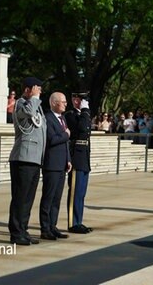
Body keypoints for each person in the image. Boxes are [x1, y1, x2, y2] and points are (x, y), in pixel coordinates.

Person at [8, 77, 47, 245]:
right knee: (20, 197)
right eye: (36, 89)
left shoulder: (36, 107)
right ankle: (16, 233)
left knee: (28, 198)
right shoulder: (21, 104)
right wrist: (35, 98)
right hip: (23, 157)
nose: (39, 92)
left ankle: (23, 229)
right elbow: (29, 113)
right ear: (27, 90)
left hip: (35, 158)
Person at [39, 92, 72, 240]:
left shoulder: (62, 118)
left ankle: (53, 226)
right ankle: (45, 228)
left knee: (56, 198)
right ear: (53, 103)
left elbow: (65, 142)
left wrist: (68, 159)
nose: (65, 104)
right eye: (63, 102)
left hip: (61, 164)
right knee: (48, 197)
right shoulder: (48, 118)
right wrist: (66, 134)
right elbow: (51, 139)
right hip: (51, 164)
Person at [64, 93, 93, 234]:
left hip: (84, 157)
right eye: (80, 99)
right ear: (74, 99)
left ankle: (79, 221)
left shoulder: (84, 114)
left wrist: (85, 112)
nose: (83, 102)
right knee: (75, 192)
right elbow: (81, 129)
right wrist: (85, 112)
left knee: (81, 192)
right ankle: (73, 223)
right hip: (76, 157)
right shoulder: (70, 115)